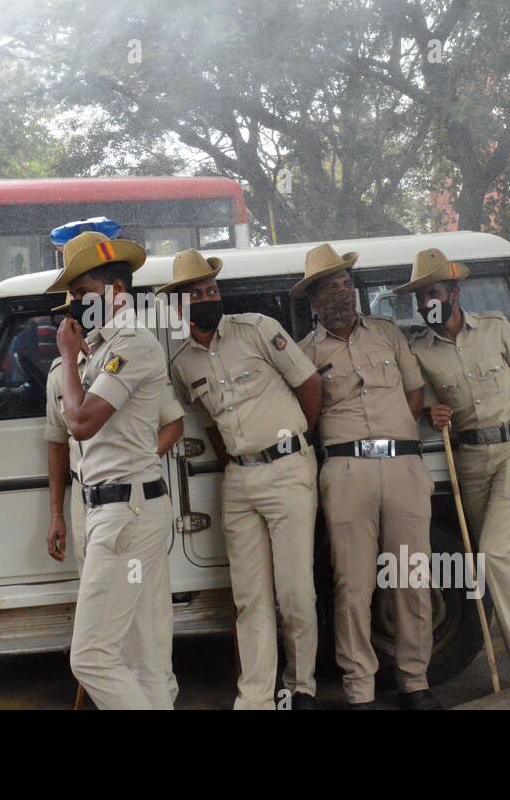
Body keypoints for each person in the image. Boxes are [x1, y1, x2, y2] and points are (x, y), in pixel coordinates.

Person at [162, 249, 323, 710]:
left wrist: (297, 442)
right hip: (238, 480)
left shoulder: (257, 329)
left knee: (295, 590)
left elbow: (310, 385)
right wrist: (236, 459)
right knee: (250, 597)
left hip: (288, 469)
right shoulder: (181, 361)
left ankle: (302, 685)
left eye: (212, 289)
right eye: (196, 293)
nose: (207, 297)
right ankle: (255, 697)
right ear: (179, 304)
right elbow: (207, 421)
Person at [398, 249, 510, 686]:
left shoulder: (494, 327)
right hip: (469, 457)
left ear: (454, 292)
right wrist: (430, 414)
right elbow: (420, 405)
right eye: (420, 297)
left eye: (433, 292)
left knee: (492, 549)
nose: (426, 303)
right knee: (488, 557)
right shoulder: (418, 350)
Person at [295, 244, 439, 710]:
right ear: (314, 300)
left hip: (402, 464)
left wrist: (393, 439)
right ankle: (361, 689)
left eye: (345, 283)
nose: (342, 290)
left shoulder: (388, 335)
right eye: (330, 286)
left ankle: (415, 682)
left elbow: (414, 396)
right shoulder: (304, 354)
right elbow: (308, 417)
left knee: (411, 577)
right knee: (352, 585)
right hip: (346, 469)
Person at [47, 230, 177, 709]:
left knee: (91, 657)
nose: (74, 306)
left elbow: (79, 423)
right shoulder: (103, 349)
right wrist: (78, 355)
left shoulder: (133, 343)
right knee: (141, 653)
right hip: (117, 509)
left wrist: (65, 354)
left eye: (83, 294)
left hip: (126, 514)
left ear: (116, 292)